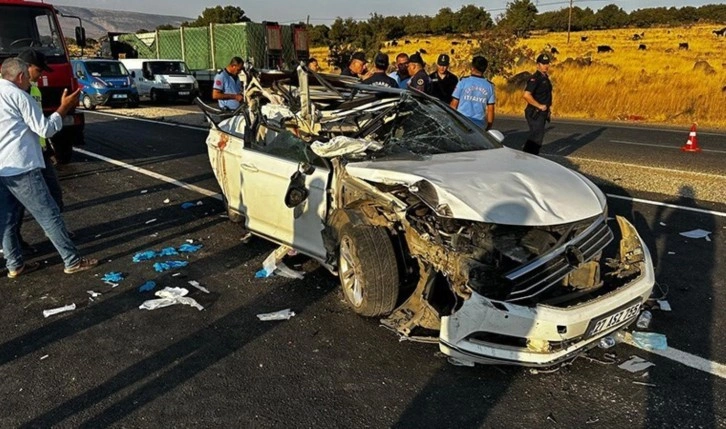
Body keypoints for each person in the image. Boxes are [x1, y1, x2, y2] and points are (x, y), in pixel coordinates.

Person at [0, 57, 98, 277]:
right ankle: (72, 260)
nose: (31, 82)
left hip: (3, 168)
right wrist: (63, 108)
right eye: (28, 77)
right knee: (48, 214)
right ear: (21, 76)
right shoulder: (19, 95)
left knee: (7, 220)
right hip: (22, 166)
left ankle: (14, 265)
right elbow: (44, 129)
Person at [15, 49, 65, 251]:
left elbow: (38, 124)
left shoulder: (33, 89)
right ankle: (13, 242)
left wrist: (48, 148)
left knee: (54, 194)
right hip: (18, 157)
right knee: (16, 205)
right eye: (38, 69)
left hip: (39, 151)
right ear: (25, 68)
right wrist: (63, 108)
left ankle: (56, 232)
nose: (41, 74)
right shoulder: (8, 91)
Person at [450, 56, 496, 129]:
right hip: (478, 125)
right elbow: (490, 109)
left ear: (472, 67)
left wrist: (450, 120)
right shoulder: (489, 86)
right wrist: (489, 127)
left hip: (461, 122)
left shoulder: (463, 81)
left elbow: (454, 103)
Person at [522, 53, 553, 155]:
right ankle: (528, 157)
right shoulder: (535, 78)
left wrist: (548, 109)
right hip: (535, 112)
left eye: (547, 63)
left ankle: (530, 156)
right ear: (538, 65)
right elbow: (526, 95)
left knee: (537, 136)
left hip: (542, 112)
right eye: (543, 64)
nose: (546, 66)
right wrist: (539, 106)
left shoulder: (545, 78)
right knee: (536, 137)